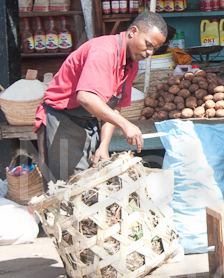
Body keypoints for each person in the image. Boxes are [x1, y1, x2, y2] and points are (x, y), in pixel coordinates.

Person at [34, 11, 168, 181]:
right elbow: (86, 98)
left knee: (90, 183)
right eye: (148, 44)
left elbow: (113, 107)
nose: (150, 52)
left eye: (154, 49)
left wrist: (104, 145)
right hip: (62, 121)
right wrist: (125, 125)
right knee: (65, 188)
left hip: (88, 122)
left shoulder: (131, 64)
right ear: (133, 32)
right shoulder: (103, 52)